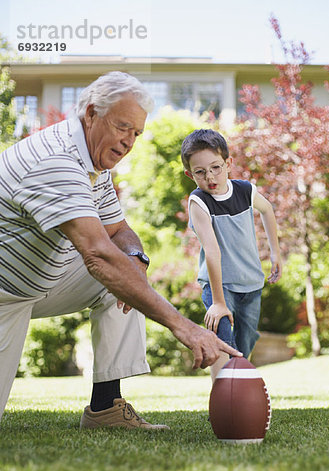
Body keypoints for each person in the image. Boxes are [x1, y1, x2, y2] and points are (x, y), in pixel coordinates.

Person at [0, 72, 241, 430]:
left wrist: (136, 259)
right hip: (5, 295)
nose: (129, 142)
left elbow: (118, 231)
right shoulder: (58, 161)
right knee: (115, 272)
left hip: (37, 281)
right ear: (92, 114)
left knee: (126, 272)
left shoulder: (93, 163)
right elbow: (98, 254)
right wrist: (185, 329)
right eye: (122, 127)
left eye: (136, 134)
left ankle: (106, 409)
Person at [181, 128, 282, 382]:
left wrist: (275, 254)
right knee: (222, 346)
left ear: (228, 164)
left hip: (251, 284)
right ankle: (221, 402)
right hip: (220, 287)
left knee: (242, 350)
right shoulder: (198, 202)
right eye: (200, 172)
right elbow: (212, 250)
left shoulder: (245, 191)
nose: (210, 177)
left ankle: (238, 392)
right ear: (189, 174)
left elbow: (267, 210)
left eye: (216, 167)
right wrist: (218, 302)